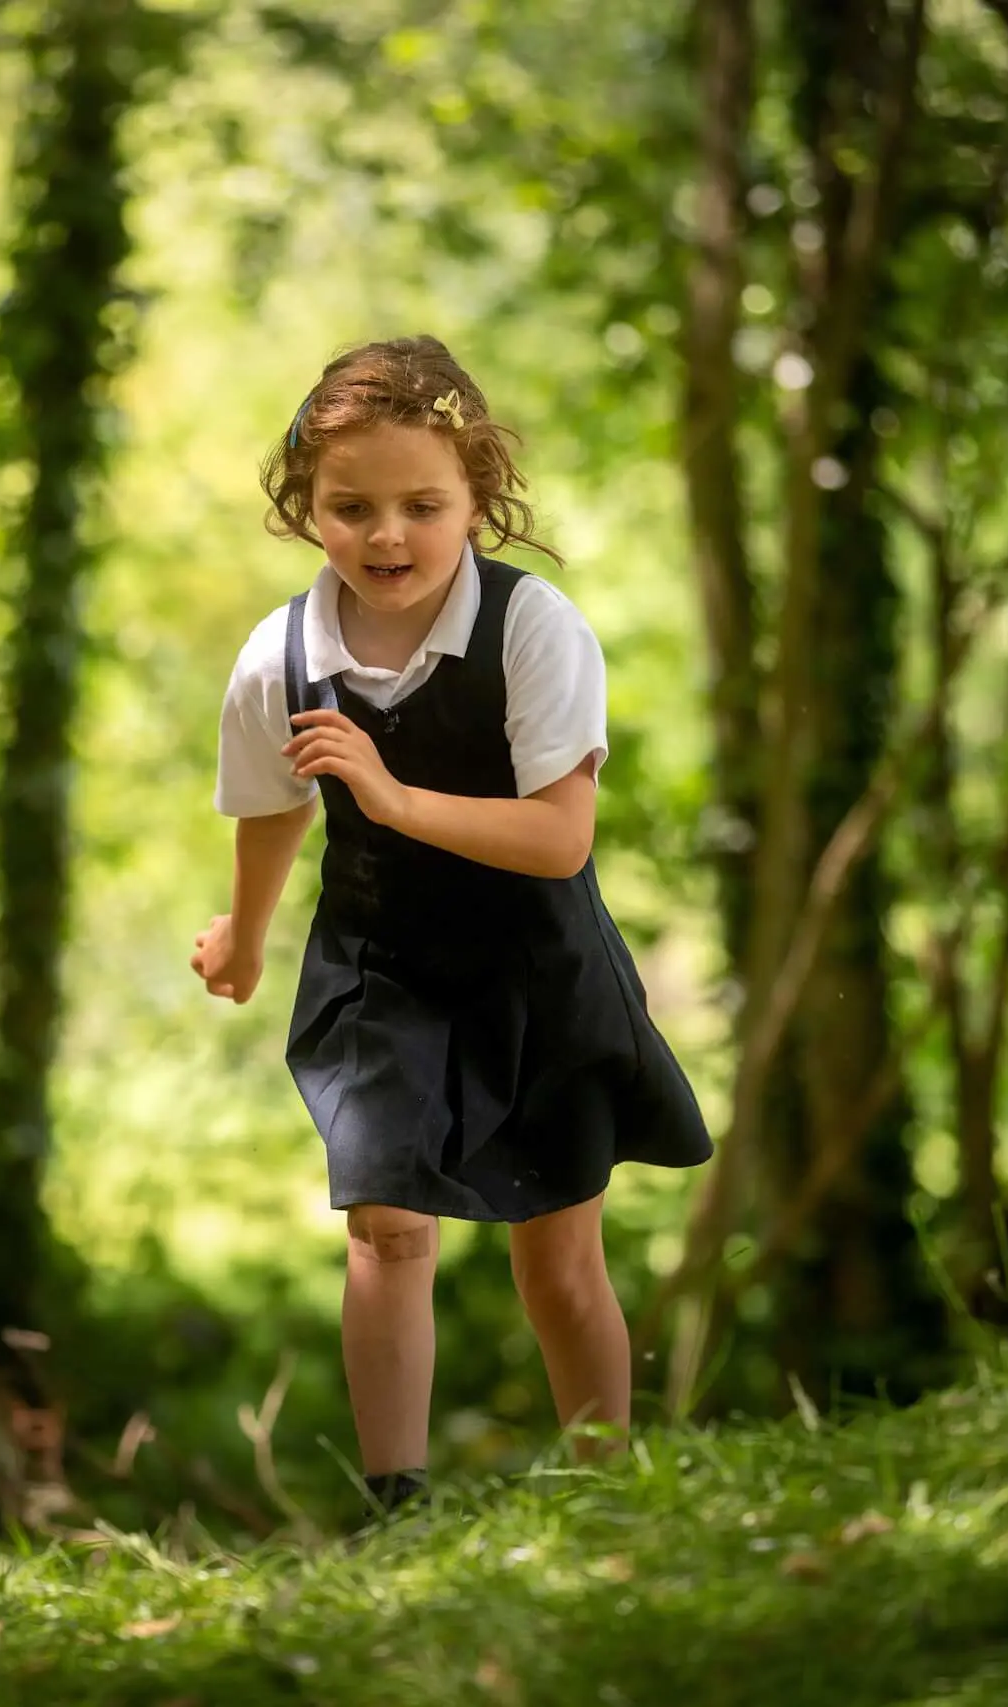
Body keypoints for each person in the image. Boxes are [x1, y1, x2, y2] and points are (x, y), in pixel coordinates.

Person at [192, 336, 713, 1519]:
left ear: (478, 495)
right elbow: (271, 809)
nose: (387, 536)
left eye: (422, 505)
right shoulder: (276, 659)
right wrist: (243, 936)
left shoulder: (536, 630)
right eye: (350, 507)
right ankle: (398, 1509)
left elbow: (558, 840)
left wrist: (386, 795)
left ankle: (608, 1491)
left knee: (556, 1256)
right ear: (304, 512)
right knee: (385, 1227)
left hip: (537, 964)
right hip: (380, 964)